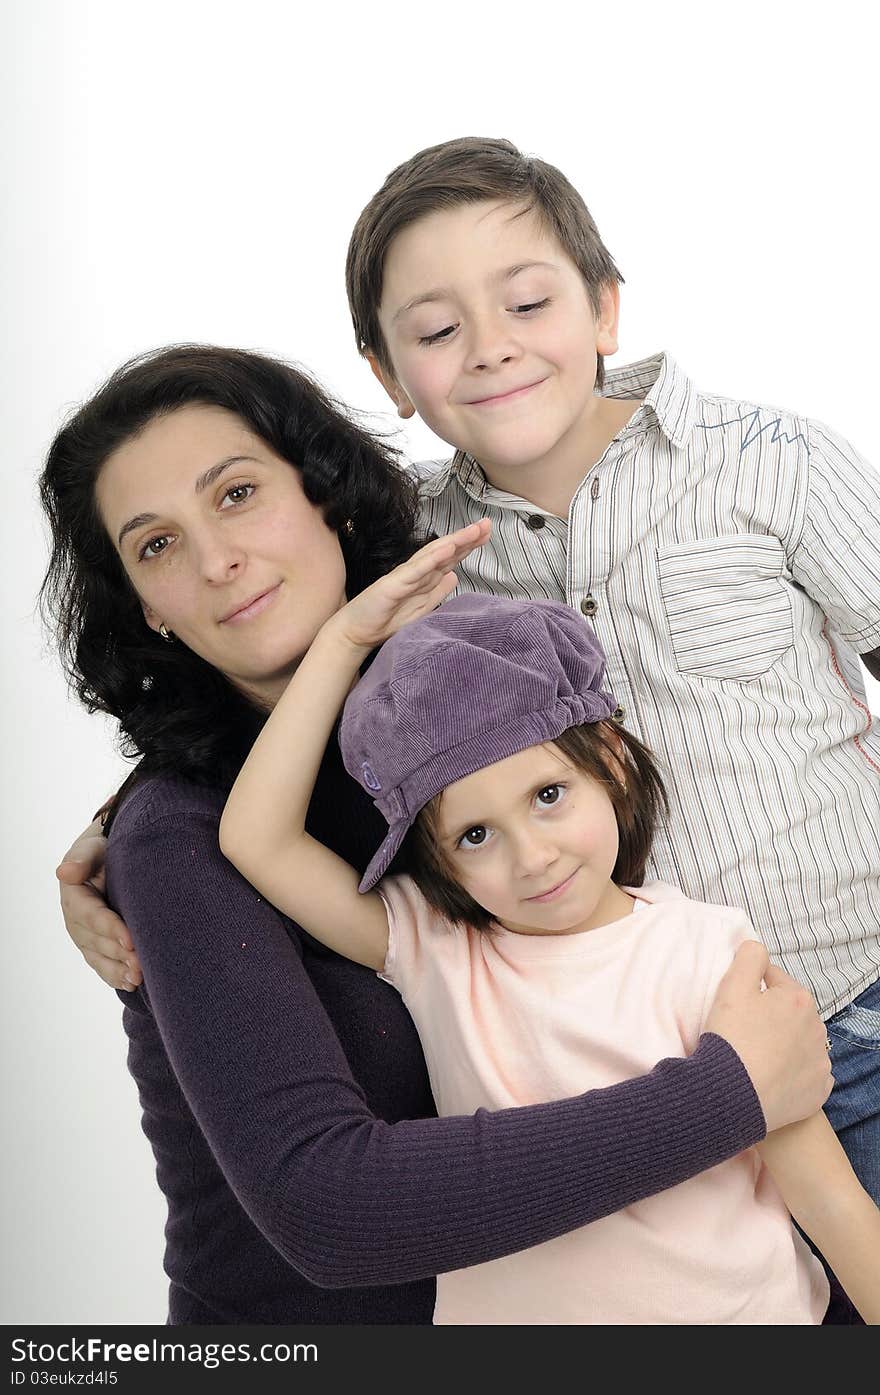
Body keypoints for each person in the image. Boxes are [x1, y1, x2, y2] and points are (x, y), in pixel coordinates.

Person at [39, 345, 832, 1325]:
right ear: (144, 611)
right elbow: (331, 1211)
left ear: (326, 493)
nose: (215, 559)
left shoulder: (469, 730)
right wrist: (731, 1093)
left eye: (236, 493)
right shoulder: (176, 836)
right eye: (155, 545)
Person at [343, 136, 880, 1198]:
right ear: (386, 374)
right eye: (440, 331)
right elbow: (275, 663)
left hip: (853, 1000)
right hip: (632, 1083)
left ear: (603, 309)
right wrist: (118, 822)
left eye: (527, 305)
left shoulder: (772, 464)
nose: (491, 348)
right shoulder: (405, 548)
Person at [218, 555, 879, 1324]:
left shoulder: (706, 952)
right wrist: (339, 642)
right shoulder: (437, 947)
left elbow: (834, 1207)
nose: (531, 857)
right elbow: (254, 837)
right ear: (437, 861)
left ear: (610, 762)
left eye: (548, 794)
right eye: (474, 834)